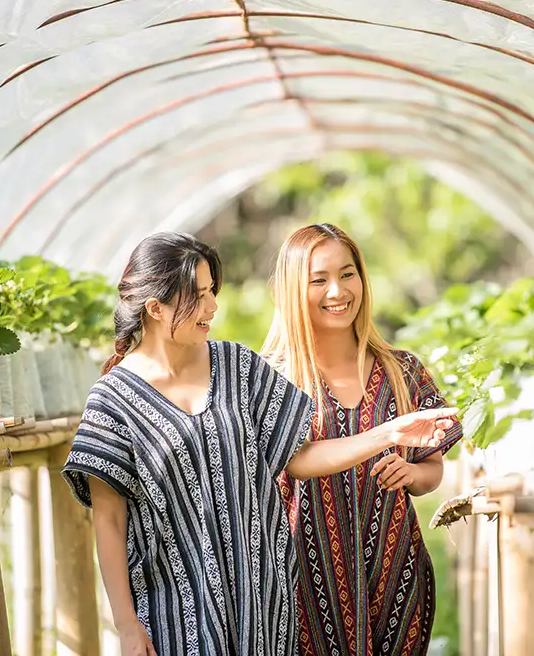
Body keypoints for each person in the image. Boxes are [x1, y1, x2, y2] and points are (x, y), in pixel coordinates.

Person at [61, 232, 456, 656]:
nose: (213, 305)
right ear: (156, 307)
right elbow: (108, 520)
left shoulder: (238, 365)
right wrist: (126, 624)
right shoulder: (112, 400)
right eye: (199, 295)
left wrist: (389, 433)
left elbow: (298, 456)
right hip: (175, 612)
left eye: (212, 290)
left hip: (267, 607)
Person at [261, 223, 464, 656]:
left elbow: (433, 470)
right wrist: (383, 436)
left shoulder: (400, 370)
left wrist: (412, 472)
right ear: (295, 288)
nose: (337, 290)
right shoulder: (272, 378)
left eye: (347, 273)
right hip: (302, 585)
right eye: (319, 279)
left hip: (394, 575)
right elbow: (291, 461)